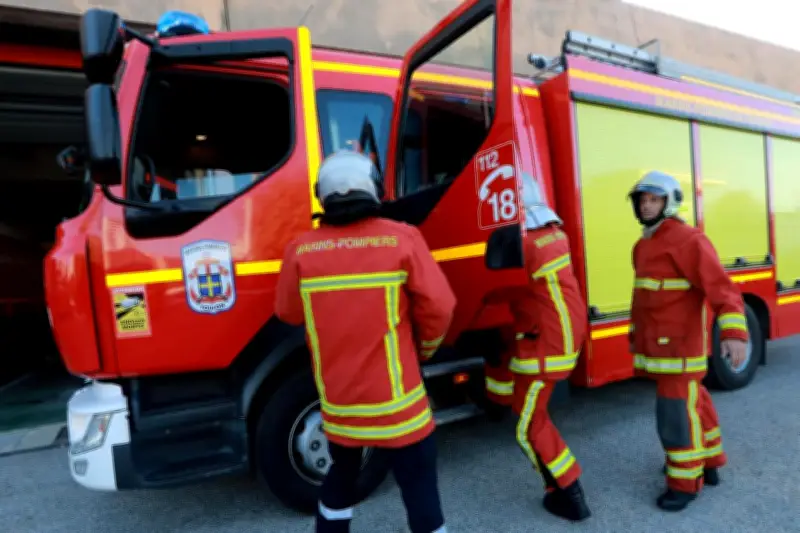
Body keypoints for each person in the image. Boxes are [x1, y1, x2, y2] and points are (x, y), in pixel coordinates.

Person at [274, 149, 456, 533]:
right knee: (418, 484)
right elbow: (440, 308)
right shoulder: (402, 238)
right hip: (400, 406)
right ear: (373, 189)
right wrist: (422, 351)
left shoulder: (300, 251)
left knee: (340, 478)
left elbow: (288, 313)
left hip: (340, 407)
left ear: (322, 197)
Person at [628, 170, 749, 512]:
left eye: (654, 199)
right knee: (696, 402)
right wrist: (636, 337)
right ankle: (709, 462)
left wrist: (734, 334)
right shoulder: (644, 244)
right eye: (642, 200)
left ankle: (684, 482)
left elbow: (722, 288)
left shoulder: (688, 240)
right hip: (661, 347)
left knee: (675, 415)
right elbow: (645, 299)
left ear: (669, 202)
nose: (647, 206)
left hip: (680, 348)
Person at [483, 173, 591, 522]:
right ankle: (561, 488)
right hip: (558, 339)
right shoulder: (554, 235)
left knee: (527, 426)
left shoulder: (527, 245)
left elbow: (504, 288)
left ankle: (569, 493)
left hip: (545, 346)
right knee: (532, 415)